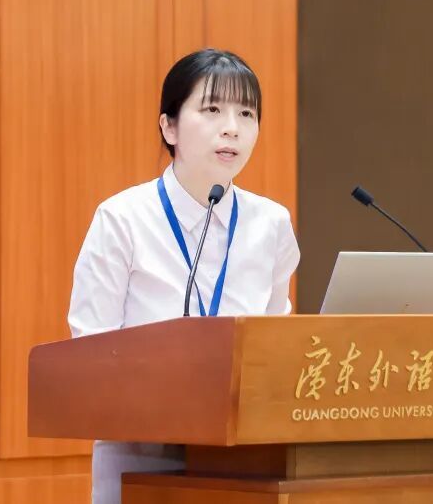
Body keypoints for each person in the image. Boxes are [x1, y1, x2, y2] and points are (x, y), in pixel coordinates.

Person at [67, 48, 300, 504]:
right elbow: (89, 351)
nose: (232, 127)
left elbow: (274, 343)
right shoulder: (123, 218)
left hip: (243, 458)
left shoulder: (271, 224)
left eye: (246, 113)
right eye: (212, 109)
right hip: (140, 455)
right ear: (169, 127)